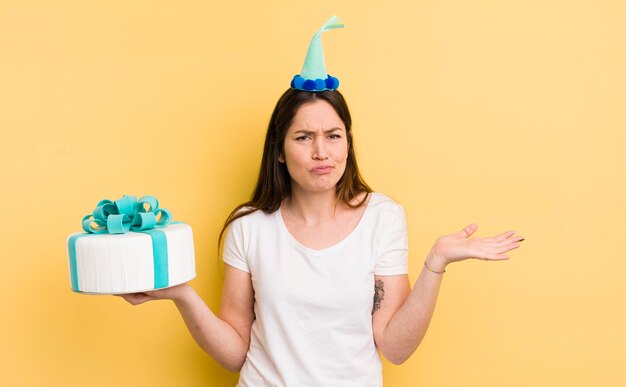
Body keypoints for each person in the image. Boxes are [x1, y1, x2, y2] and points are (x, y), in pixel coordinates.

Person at [120, 16, 524, 386]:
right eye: (303, 137)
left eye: (333, 135)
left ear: (348, 143)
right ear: (279, 150)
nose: (321, 152)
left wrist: (436, 262)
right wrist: (183, 295)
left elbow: (395, 347)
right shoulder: (249, 227)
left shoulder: (383, 218)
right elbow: (234, 354)